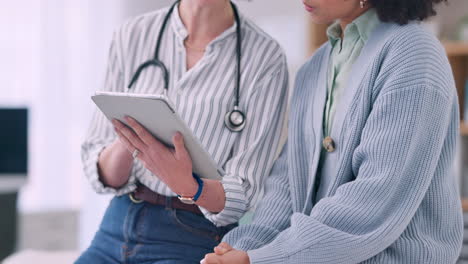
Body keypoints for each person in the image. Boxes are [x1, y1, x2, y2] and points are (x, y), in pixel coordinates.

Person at [202, 0, 464, 263]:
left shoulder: (414, 53)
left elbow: (374, 199)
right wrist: (245, 247)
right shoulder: (313, 68)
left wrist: (260, 258)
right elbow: (287, 185)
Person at [76, 0, 289, 263]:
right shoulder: (133, 34)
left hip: (192, 234)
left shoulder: (265, 58)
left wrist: (188, 184)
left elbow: (243, 195)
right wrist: (133, 139)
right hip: (118, 221)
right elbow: (100, 172)